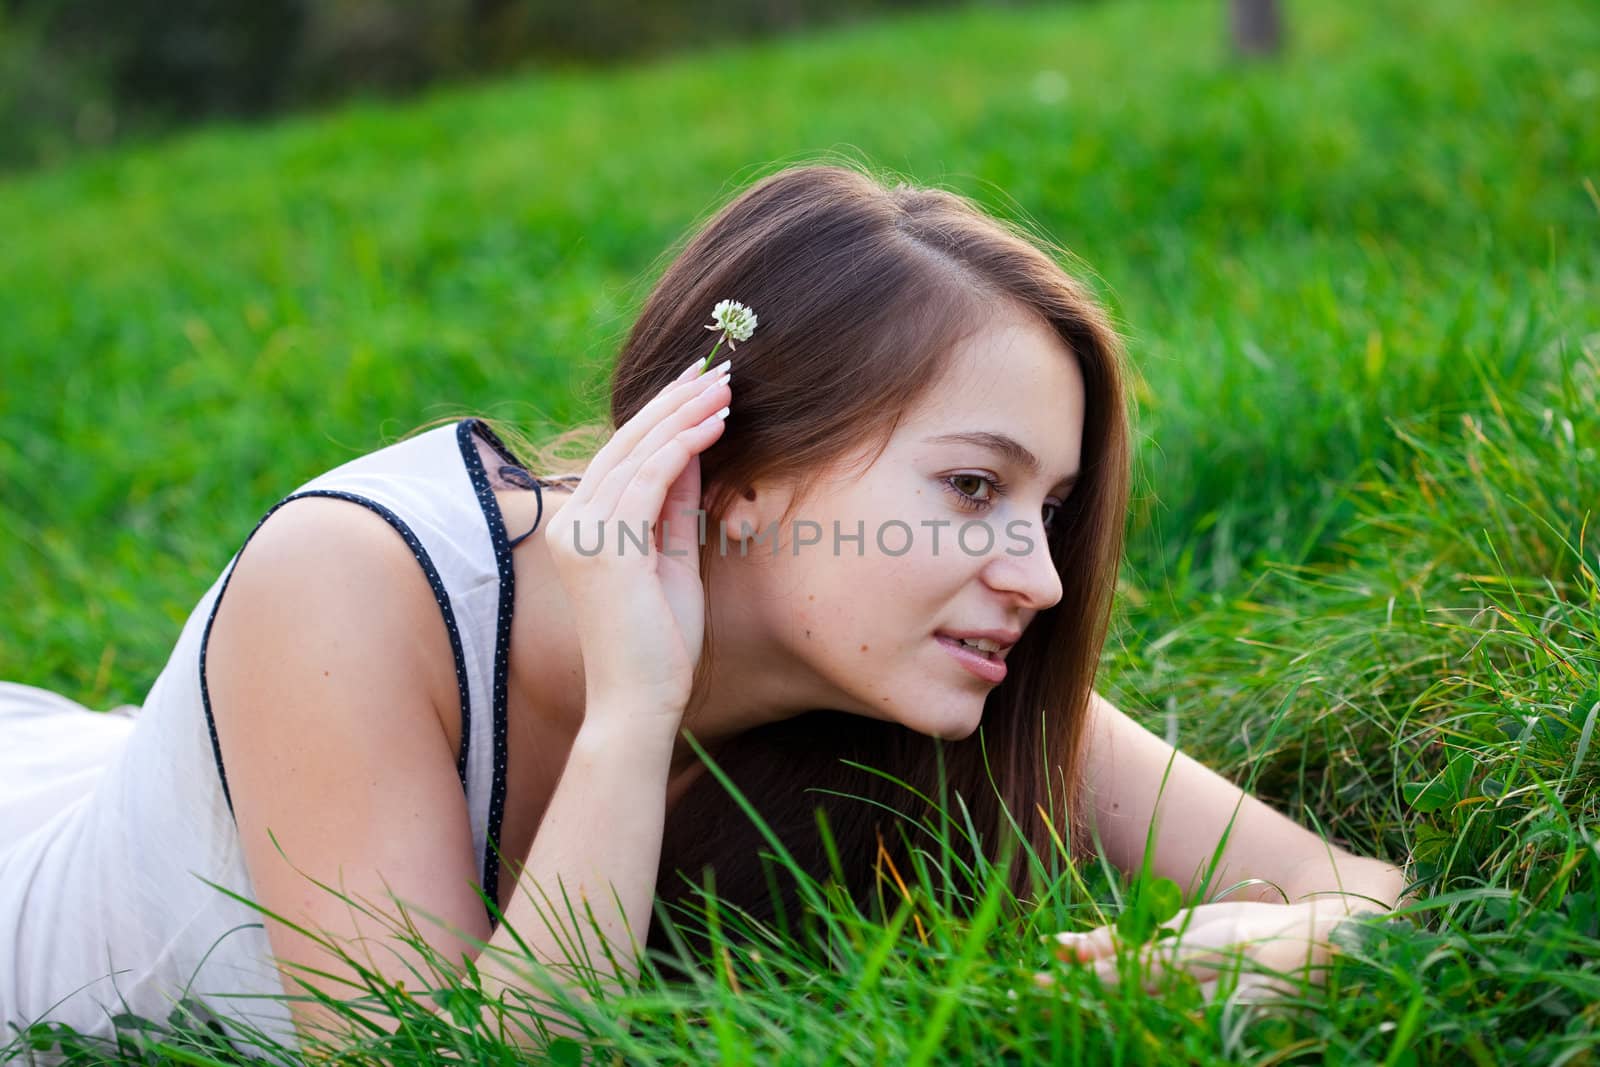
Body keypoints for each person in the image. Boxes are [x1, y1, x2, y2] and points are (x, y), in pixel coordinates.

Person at [0, 161, 1407, 1060]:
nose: (1036, 578)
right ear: (732, 468)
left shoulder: (928, 668)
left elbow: (1370, 900)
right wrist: (632, 716)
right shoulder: (352, 583)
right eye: (972, 486)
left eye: (1046, 513)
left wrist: (1208, 957)